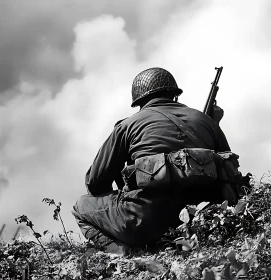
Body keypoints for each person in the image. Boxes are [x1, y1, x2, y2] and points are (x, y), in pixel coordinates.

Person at [72, 67, 236, 249]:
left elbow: (95, 183)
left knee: (81, 206)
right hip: (206, 216)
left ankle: (124, 254)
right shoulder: (205, 121)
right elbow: (228, 170)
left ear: (139, 101)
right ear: (175, 95)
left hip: (147, 223)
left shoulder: (127, 126)